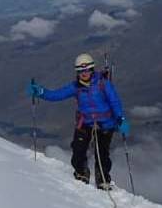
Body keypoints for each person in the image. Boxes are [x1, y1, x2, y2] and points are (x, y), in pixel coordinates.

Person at [29, 53, 130, 189]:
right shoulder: (75, 87)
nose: (84, 73)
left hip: (105, 123)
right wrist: (40, 92)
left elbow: (114, 101)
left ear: (92, 69)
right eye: (81, 71)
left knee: (102, 153)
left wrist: (120, 118)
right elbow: (57, 95)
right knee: (78, 150)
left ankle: (103, 179)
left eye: (87, 70)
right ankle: (82, 172)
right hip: (86, 123)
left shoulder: (103, 84)